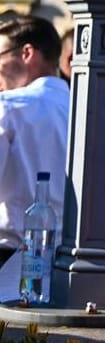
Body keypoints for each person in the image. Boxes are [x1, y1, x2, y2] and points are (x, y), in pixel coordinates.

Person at [0, 17, 71, 268]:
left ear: (27, 53)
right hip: (70, 261)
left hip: (11, 258)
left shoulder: (8, 106)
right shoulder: (82, 108)